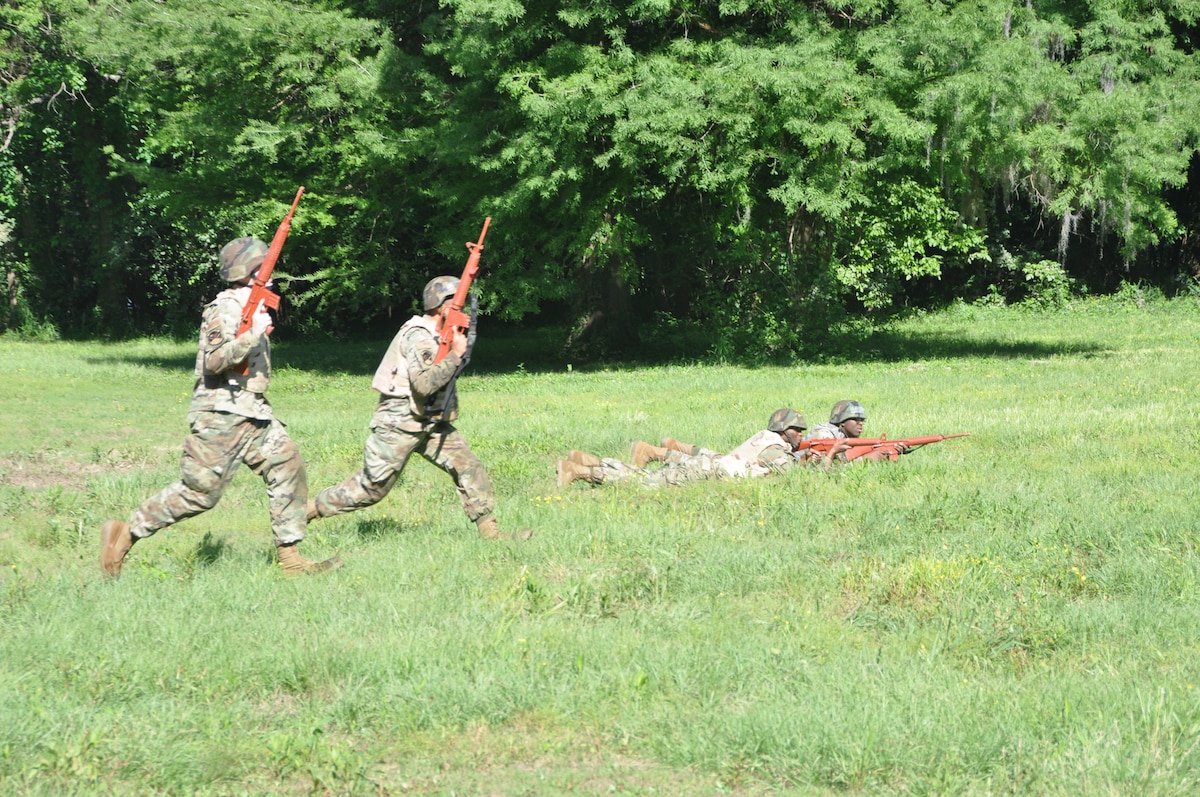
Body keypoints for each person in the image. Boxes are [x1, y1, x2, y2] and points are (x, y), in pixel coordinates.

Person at [100, 237, 343, 578]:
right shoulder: (224, 308)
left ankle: (291, 560)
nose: (271, 273)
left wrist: (256, 327)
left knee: (287, 466)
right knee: (201, 494)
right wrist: (252, 335)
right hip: (221, 413)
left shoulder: (251, 304)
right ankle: (125, 534)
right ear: (247, 272)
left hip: (252, 409)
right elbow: (215, 360)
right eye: (264, 267)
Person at [306, 275, 530, 540]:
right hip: (399, 422)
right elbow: (423, 384)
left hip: (429, 419)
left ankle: (490, 532)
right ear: (441, 307)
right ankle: (305, 511)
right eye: (455, 306)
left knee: (467, 465)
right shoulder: (419, 336)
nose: (461, 314)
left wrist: (456, 346)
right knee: (371, 489)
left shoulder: (442, 335)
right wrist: (456, 354)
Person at [557, 408, 842, 487]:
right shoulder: (774, 449)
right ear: (783, 430)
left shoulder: (767, 437)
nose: (798, 435)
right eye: (795, 430)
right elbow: (793, 477)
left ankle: (589, 463)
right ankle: (578, 471)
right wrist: (828, 456)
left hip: (708, 469)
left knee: (644, 478)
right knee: (644, 483)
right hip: (706, 473)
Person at [804, 399, 903, 462]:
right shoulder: (824, 434)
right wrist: (865, 460)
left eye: (862, 420)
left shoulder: (843, 435)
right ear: (842, 422)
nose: (860, 423)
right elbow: (825, 470)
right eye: (855, 420)